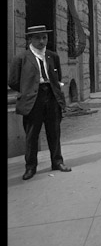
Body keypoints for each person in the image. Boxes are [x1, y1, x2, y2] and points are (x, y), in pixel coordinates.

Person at [8, 25, 72, 180]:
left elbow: (57, 78)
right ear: (30, 39)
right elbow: (13, 81)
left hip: (51, 97)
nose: (42, 41)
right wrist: (28, 90)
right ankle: (30, 167)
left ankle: (57, 162)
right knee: (32, 135)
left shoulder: (52, 56)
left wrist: (58, 97)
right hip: (33, 100)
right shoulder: (21, 58)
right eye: (37, 38)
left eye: (44, 37)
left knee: (54, 132)